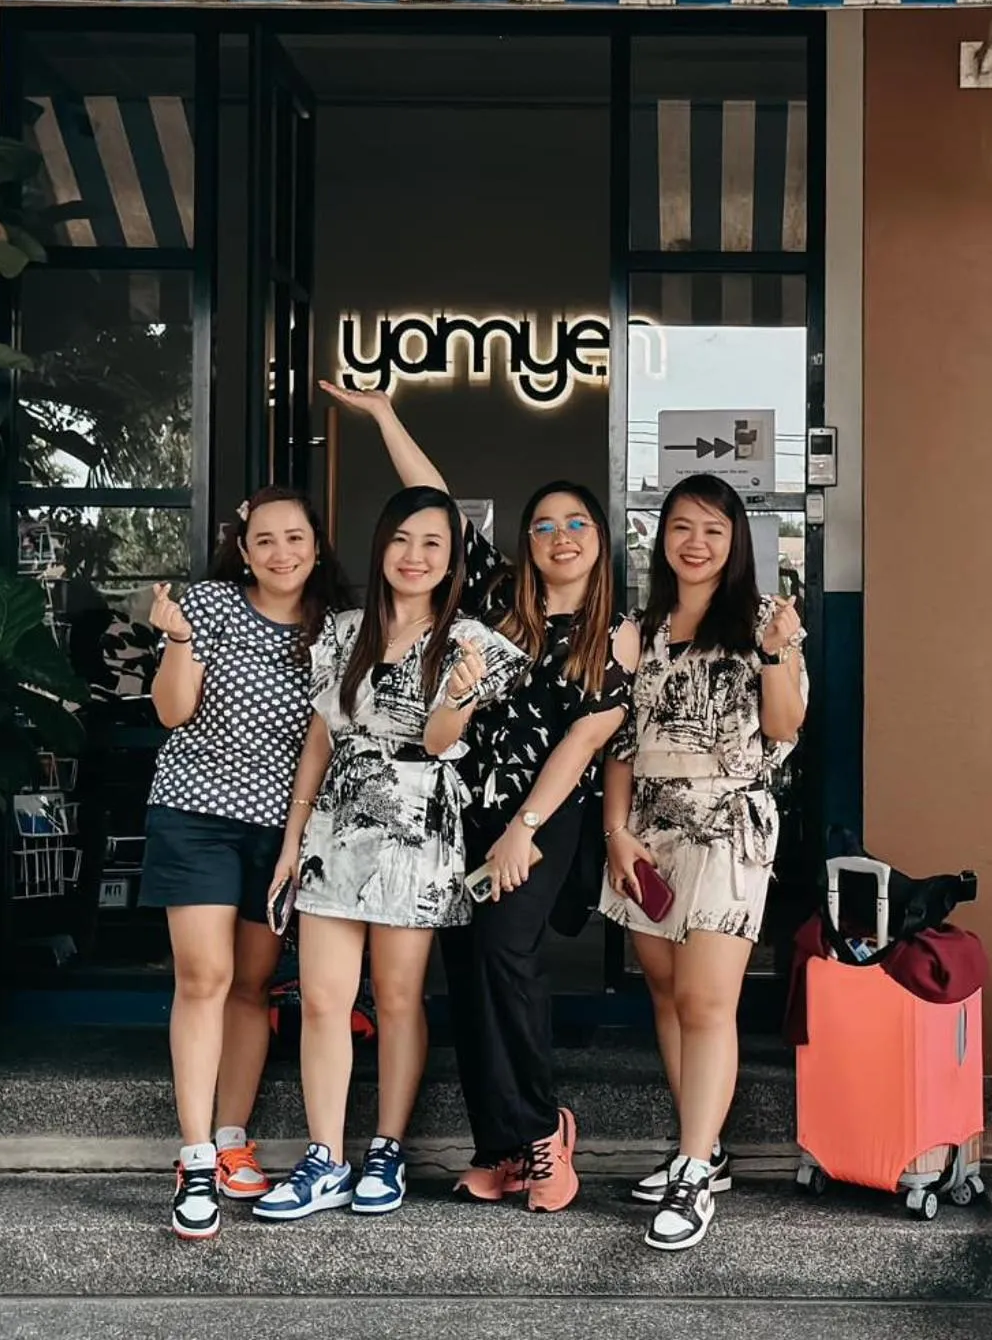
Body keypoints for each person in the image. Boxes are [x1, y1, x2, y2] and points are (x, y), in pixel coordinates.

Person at [321, 381, 636, 1214]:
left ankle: (540, 1131)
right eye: (544, 525)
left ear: (601, 540)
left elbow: (583, 742)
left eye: (577, 524)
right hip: (461, 809)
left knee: (503, 952)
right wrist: (387, 418)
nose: (560, 537)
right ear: (524, 542)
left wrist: (524, 829)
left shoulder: (618, 636)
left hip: (543, 819)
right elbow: (438, 506)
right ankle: (499, 1150)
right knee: (464, 970)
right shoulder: (498, 602)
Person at [253, 485, 526, 1223]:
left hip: (416, 829)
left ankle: (385, 1148)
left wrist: (458, 696)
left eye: (433, 544)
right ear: (381, 547)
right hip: (335, 827)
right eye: (403, 539)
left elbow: (438, 745)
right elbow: (321, 740)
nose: (415, 556)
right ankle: (324, 1158)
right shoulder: (342, 631)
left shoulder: (471, 641)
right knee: (322, 1001)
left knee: (400, 999)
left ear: (453, 559)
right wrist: (292, 841)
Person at [601, 473, 808, 1251]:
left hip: (728, 822)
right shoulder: (639, 626)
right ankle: (708, 1147)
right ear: (662, 537)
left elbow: (785, 728)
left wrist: (780, 653)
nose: (696, 543)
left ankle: (692, 1171)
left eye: (714, 530)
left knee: (706, 1001)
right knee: (663, 988)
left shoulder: (761, 621)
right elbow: (617, 741)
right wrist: (617, 832)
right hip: (648, 827)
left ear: (736, 541)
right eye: (682, 527)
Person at [142, 487, 352, 1241]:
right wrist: (175, 642)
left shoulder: (338, 628)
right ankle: (194, 1158)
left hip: (281, 829)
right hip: (196, 811)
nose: (281, 553)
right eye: (264, 540)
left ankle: (232, 1140)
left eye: (294, 538)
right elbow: (171, 712)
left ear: (317, 545)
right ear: (243, 548)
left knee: (254, 985)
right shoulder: (208, 605)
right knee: (205, 976)